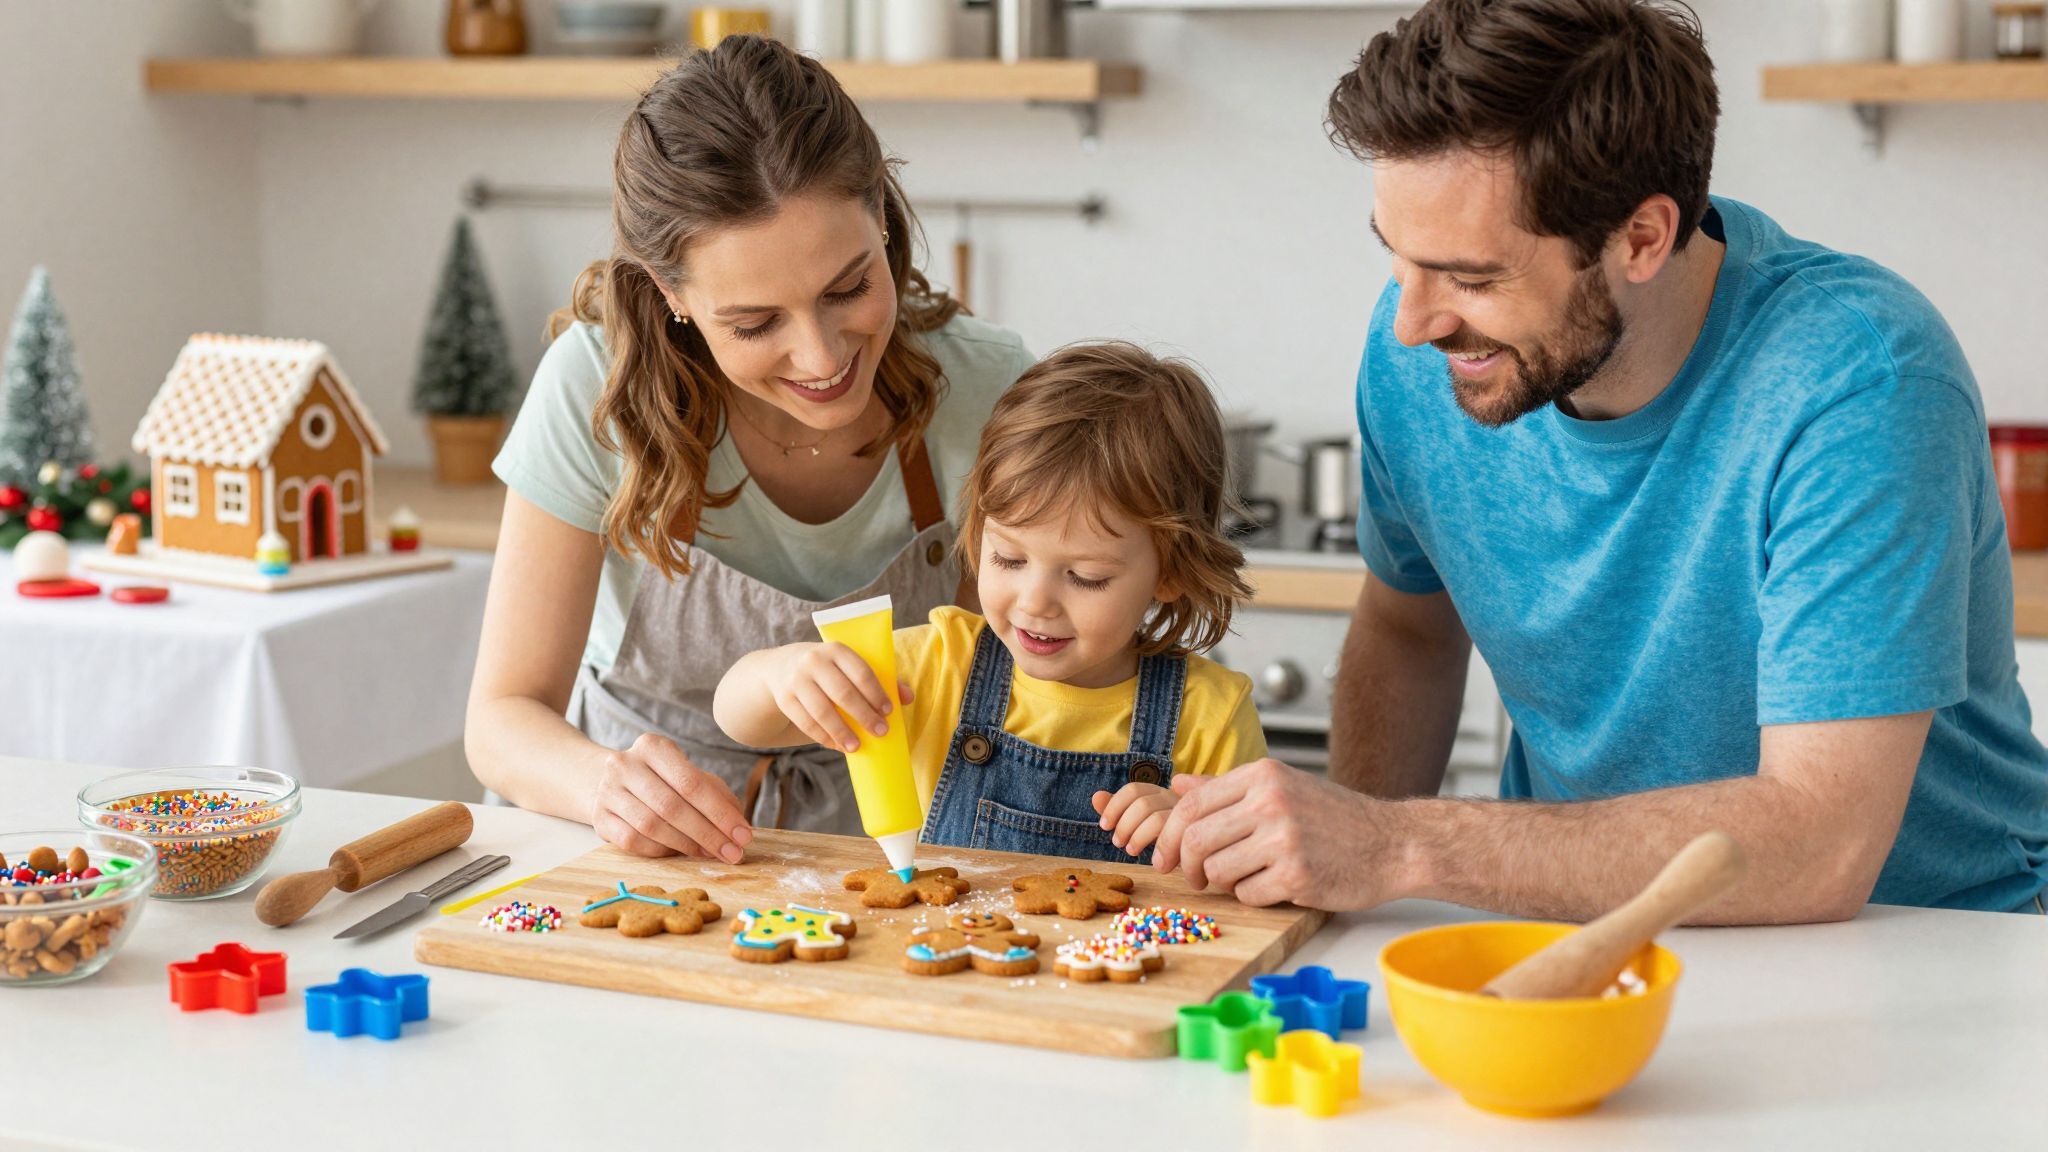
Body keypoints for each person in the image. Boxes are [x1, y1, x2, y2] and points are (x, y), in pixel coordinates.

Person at [1154, 0, 2048, 920]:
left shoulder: (1859, 380)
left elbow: (1821, 842)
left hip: (1929, 943)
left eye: (1472, 276)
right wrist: (1339, 901)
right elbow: (1410, 631)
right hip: (1574, 925)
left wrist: (1396, 844)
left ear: (1642, 238)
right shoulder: (1422, 350)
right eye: (1399, 260)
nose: (1413, 321)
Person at [466, 35, 1038, 860]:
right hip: (629, 848)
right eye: (755, 323)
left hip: (902, 843)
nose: (823, 357)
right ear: (673, 296)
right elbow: (502, 719)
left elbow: (1034, 685)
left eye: (849, 288)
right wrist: (606, 787)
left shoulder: (989, 391)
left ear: (881, 215)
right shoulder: (594, 390)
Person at [714, 343, 1265, 862]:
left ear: (1168, 572)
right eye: (1009, 559)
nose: (1036, 602)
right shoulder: (939, 665)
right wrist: (781, 673)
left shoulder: (1211, 717)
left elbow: (1254, 866)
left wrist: (1195, 834)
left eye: (1086, 576)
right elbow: (740, 719)